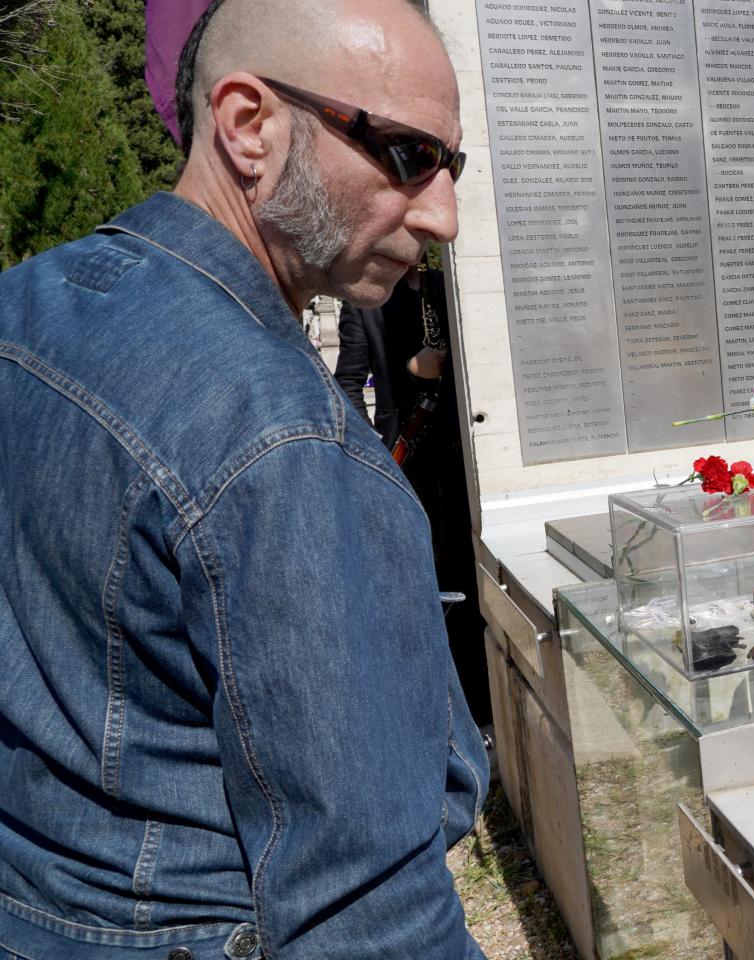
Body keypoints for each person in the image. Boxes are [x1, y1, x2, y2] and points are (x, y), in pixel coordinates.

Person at [0, 0, 488, 956]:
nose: (443, 214)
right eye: (407, 156)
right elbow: (370, 917)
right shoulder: (284, 446)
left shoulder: (24, 307)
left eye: (450, 166)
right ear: (248, 125)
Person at [335, 262, 491, 728]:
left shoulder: (448, 286)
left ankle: (484, 711)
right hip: (411, 458)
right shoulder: (364, 300)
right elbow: (347, 385)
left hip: (467, 454)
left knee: (472, 570)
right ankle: (446, 711)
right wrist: (409, 369)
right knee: (433, 578)